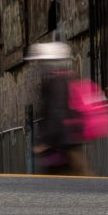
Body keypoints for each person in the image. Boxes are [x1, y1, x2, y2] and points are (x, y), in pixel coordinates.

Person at [26, 41, 91, 176]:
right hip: (67, 140)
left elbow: (57, 113)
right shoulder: (66, 79)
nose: (38, 66)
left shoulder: (57, 83)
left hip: (63, 142)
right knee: (77, 178)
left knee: (75, 178)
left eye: (41, 62)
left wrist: (46, 141)